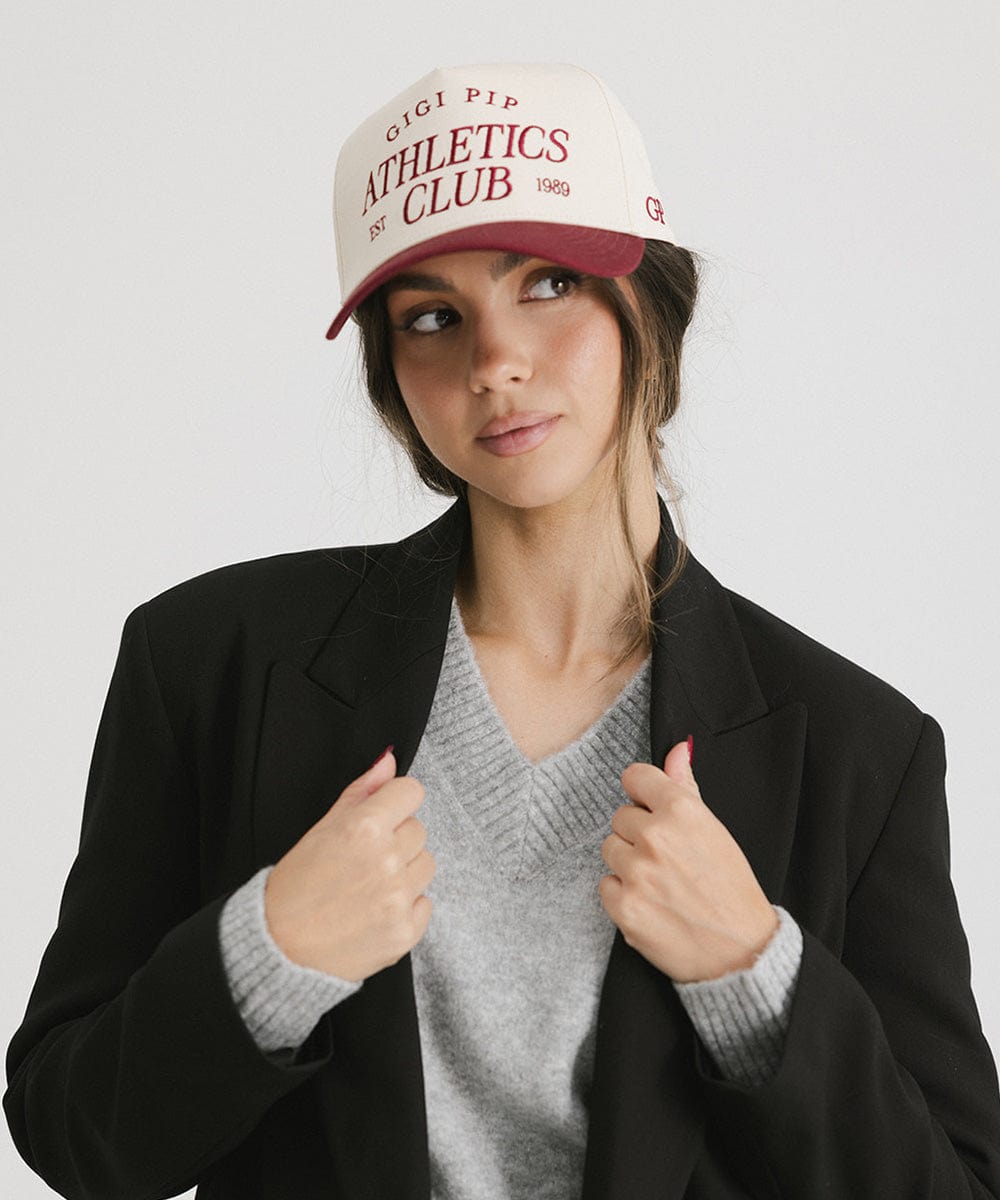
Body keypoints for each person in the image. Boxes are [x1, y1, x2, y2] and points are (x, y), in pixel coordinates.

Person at [4, 61, 1000, 1200]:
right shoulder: (210, 664)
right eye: (432, 317)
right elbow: (75, 1136)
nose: (494, 363)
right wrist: (269, 955)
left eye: (548, 284)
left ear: (648, 305)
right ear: (392, 377)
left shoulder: (855, 749)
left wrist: (751, 973)